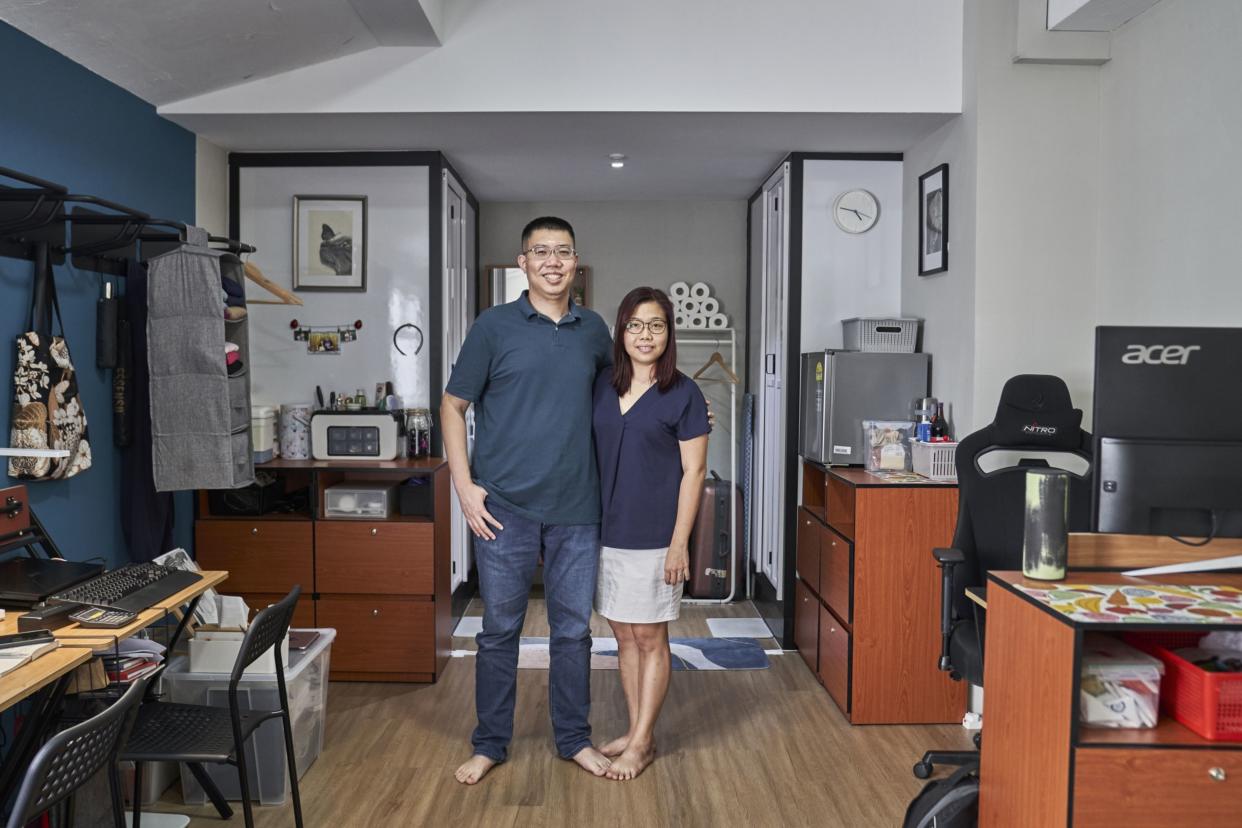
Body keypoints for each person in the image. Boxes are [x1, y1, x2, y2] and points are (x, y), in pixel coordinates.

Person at [442, 217, 614, 785]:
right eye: (541, 251)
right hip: (504, 508)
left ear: (575, 260)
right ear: (524, 262)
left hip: (577, 508)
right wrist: (464, 487)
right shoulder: (493, 327)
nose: (553, 261)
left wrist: (688, 413)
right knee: (499, 632)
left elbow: (623, 401)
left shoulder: (594, 331)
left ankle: (573, 740)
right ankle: (489, 743)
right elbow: (452, 406)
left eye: (563, 251)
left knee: (573, 632)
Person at [591, 287, 710, 781]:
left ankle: (640, 743)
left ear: (669, 333)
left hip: (656, 535)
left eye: (656, 325)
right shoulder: (600, 384)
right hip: (603, 531)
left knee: (649, 634)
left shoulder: (684, 393)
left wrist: (680, 542)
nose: (645, 334)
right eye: (636, 324)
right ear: (621, 330)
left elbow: (695, 473)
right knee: (622, 633)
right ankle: (639, 730)